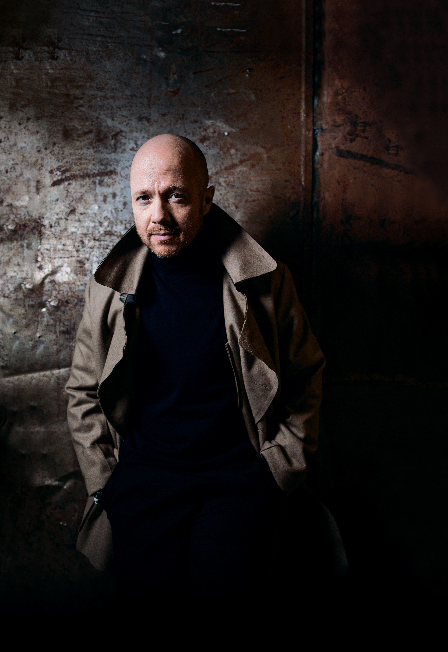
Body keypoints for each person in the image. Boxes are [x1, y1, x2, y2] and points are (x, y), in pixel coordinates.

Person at [65, 134, 325, 619]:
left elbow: (306, 375)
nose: (158, 216)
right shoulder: (109, 289)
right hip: (142, 487)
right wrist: (106, 483)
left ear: (207, 198)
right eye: (144, 199)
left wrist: (276, 471)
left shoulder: (264, 281)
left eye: (176, 196)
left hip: (238, 485)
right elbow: (83, 391)